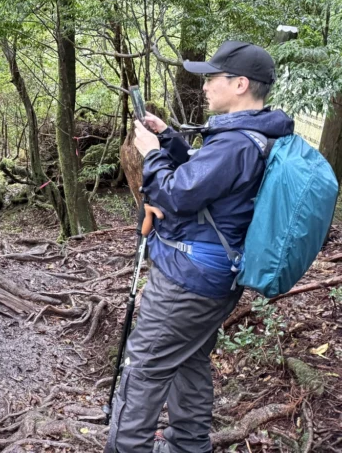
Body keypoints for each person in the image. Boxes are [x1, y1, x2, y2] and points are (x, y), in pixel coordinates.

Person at [105, 41, 294, 453]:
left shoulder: (237, 143)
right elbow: (205, 178)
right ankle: (189, 446)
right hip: (215, 279)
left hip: (186, 283)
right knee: (189, 362)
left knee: (144, 368)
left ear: (240, 83)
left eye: (212, 78)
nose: (205, 86)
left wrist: (151, 155)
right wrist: (170, 139)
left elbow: (176, 195)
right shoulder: (253, 134)